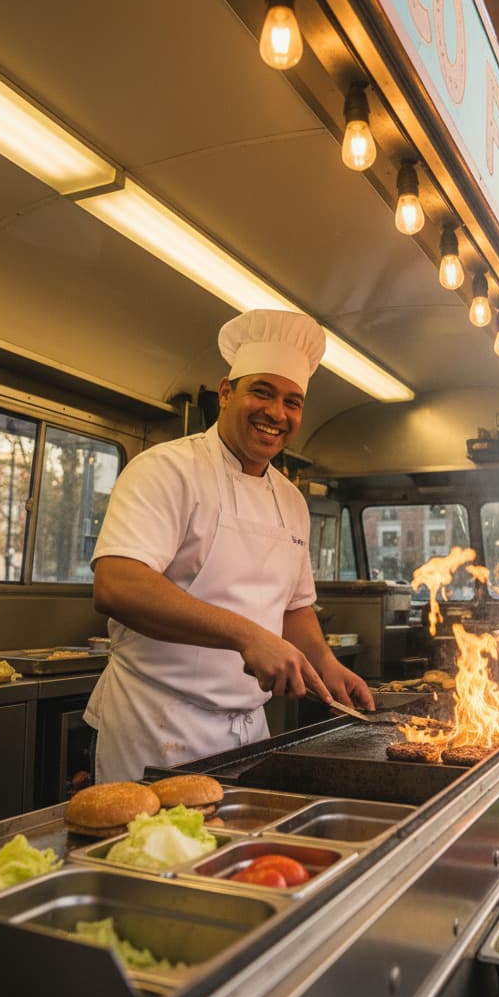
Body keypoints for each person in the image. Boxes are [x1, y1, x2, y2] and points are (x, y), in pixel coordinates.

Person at [84, 308, 374, 783]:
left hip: (248, 732)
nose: (277, 413)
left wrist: (326, 664)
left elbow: (294, 608)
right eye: (262, 392)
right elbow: (117, 585)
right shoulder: (166, 470)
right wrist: (247, 635)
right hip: (156, 726)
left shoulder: (291, 500)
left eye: (293, 401)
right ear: (225, 392)